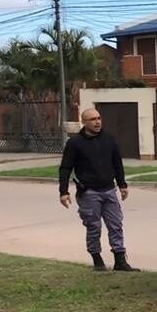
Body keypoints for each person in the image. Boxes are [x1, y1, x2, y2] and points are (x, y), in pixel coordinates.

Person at [59, 108, 139, 272]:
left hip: (109, 190)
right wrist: (63, 191)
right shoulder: (75, 143)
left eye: (99, 118)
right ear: (84, 122)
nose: (97, 122)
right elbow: (65, 168)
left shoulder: (109, 140)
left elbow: (117, 164)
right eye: (92, 119)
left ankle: (120, 261)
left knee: (115, 225)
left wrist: (122, 185)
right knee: (94, 227)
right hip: (88, 193)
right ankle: (97, 260)